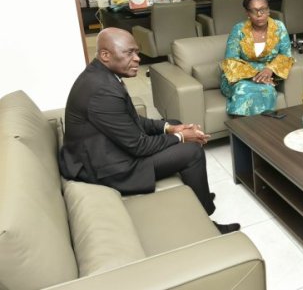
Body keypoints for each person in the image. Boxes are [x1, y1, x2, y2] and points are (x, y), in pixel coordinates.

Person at [58, 27, 239, 234]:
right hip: (105, 168)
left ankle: (200, 195)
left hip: (105, 149)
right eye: (129, 53)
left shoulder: (102, 74)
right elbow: (139, 146)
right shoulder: (102, 91)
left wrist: (169, 127)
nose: (137, 58)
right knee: (192, 152)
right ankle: (206, 222)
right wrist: (181, 137)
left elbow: (131, 119)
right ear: (105, 55)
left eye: (136, 52)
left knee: (174, 121)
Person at [220, 0, 294, 116]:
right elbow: (231, 60)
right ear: (247, 13)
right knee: (243, 90)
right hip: (239, 78)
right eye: (254, 11)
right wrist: (257, 75)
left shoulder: (279, 27)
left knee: (268, 91)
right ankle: (242, 126)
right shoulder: (238, 29)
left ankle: (263, 126)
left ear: (269, 10)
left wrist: (270, 69)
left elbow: (286, 56)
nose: (259, 15)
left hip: (267, 77)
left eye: (263, 9)